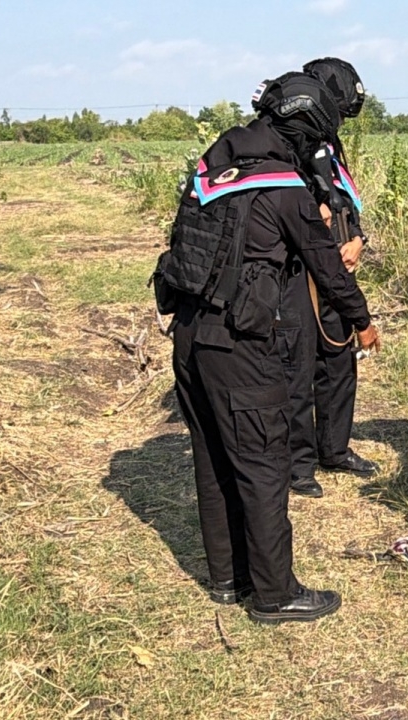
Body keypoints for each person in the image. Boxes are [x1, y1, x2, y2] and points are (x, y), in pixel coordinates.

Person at [162, 71, 380, 623]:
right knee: (263, 461)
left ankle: (227, 578)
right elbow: (326, 265)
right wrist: (361, 320)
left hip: (187, 336)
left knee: (214, 455)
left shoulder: (215, 163)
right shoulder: (282, 184)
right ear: (304, 129)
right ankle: (274, 594)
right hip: (238, 342)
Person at [277, 57, 377, 499]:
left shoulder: (330, 146)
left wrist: (357, 239)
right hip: (298, 271)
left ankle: (334, 449)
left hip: (337, 266)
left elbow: (343, 201)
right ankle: (298, 466)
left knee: (339, 361)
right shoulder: (287, 142)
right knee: (298, 367)